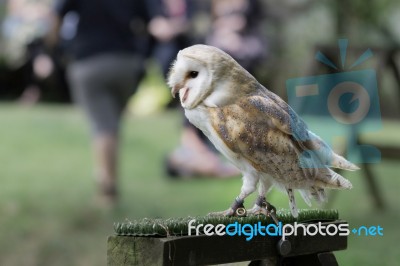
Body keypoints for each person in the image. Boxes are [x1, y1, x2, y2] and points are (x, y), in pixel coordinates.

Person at [46, 0, 157, 205]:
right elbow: (151, 24)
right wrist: (145, 54)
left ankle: (107, 190)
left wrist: (56, 49)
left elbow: (55, 16)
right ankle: (110, 180)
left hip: (89, 62)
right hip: (127, 63)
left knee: (103, 127)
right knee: (111, 124)